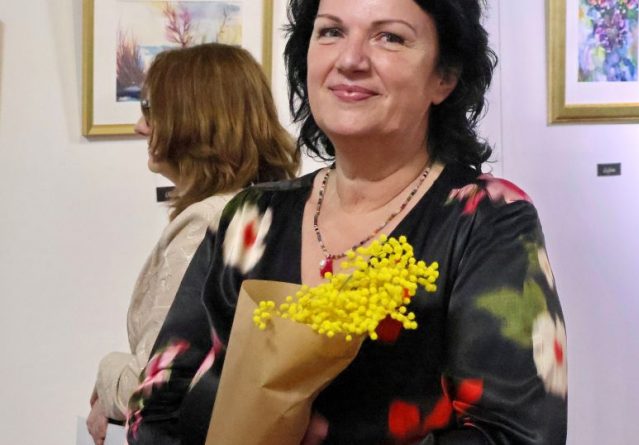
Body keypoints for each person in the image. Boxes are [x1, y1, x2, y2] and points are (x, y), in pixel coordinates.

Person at [127, 0, 568, 443]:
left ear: (445, 76)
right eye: (331, 32)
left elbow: (515, 435)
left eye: (390, 37)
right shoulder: (251, 216)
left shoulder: (485, 220)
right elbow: (155, 408)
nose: (351, 59)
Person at [85, 43, 298, 445]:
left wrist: (106, 371)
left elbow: (155, 386)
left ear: (193, 120)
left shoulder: (207, 224)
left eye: (151, 110)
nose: (140, 127)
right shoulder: (267, 211)